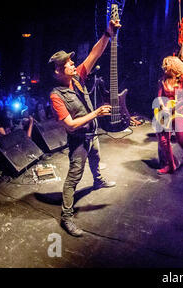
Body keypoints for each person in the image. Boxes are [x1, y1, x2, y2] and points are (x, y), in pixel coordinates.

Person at [48, 19, 121, 237]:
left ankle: (98, 180)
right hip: (78, 139)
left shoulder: (78, 77)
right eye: (69, 64)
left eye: (72, 62)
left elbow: (94, 54)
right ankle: (67, 217)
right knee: (74, 177)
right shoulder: (56, 95)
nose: (73, 64)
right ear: (60, 70)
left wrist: (107, 34)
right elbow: (70, 126)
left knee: (96, 157)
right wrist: (96, 113)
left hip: (92, 134)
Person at [156, 56, 183, 174]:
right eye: (164, 64)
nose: (164, 66)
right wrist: (163, 106)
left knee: (181, 138)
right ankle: (170, 165)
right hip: (165, 111)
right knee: (164, 140)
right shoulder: (162, 80)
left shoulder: (182, 78)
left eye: (167, 64)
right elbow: (159, 97)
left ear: (173, 66)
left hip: (179, 111)